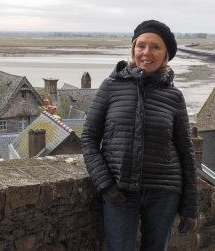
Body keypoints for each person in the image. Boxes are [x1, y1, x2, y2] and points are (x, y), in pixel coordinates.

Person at [81, 20, 198, 251]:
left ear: (166, 55)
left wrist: (190, 206)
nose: (147, 52)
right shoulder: (111, 86)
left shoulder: (174, 97)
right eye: (141, 45)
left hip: (164, 193)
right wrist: (105, 185)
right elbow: (89, 139)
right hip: (119, 191)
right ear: (133, 49)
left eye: (155, 47)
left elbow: (186, 150)